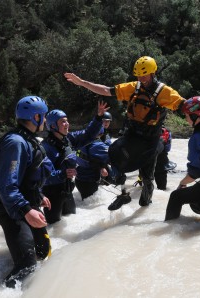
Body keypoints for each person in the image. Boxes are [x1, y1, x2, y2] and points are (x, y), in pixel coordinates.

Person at [64, 56, 185, 210]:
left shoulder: (164, 92)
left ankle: (145, 203)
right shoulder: (133, 87)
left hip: (150, 139)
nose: (142, 78)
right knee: (115, 155)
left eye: (145, 75)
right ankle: (124, 194)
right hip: (133, 133)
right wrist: (81, 83)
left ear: (153, 73)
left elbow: (184, 104)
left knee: (147, 177)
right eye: (139, 76)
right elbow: (106, 90)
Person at [0, 95, 53, 288]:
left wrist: (38, 195)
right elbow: (7, 185)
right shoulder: (15, 143)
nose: (46, 120)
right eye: (43, 116)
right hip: (13, 211)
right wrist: (26, 210)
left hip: (27, 205)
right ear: (36, 118)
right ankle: (2, 291)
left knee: (43, 252)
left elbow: (27, 177)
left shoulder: (28, 139)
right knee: (27, 265)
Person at [40, 109, 77, 224]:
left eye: (67, 121)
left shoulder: (66, 141)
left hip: (67, 190)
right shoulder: (44, 147)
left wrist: (98, 118)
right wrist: (62, 174)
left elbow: (87, 135)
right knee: (53, 227)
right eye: (63, 122)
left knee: (72, 222)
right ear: (53, 126)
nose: (67, 124)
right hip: (52, 195)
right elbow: (43, 176)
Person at [134, 126, 176, 190]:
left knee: (144, 177)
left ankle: (141, 185)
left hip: (146, 155)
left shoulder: (142, 128)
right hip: (162, 157)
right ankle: (162, 190)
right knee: (162, 183)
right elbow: (167, 148)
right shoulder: (166, 131)